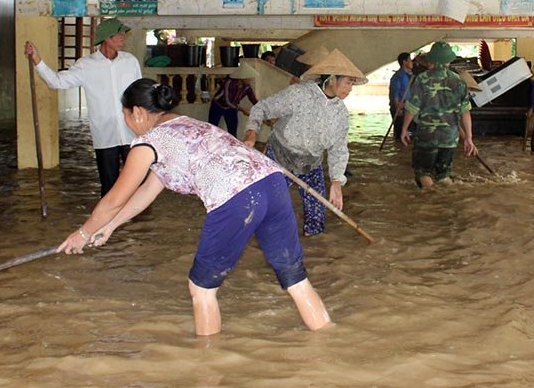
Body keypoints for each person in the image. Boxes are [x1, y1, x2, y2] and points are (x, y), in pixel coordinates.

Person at [55, 78, 331, 336]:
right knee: (296, 280)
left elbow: (114, 199)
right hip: (273, 183)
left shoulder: (147, 143)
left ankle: (206, 370)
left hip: (237, 196)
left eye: (125, 116)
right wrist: (109, 227)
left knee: (202, 289)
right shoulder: (186, 126)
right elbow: (146, 192)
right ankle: (328, 345)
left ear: (137, 112)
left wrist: (82, 233)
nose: (127, 123)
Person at [243, 49, 362, 236]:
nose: (350, 89)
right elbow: (261, 108)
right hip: (280, 157)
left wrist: (337, 182)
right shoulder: (298, 94)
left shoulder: (341, 113)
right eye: (348, 82)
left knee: (317, 217)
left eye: (352, 84)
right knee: (263, 210)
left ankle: (315, 248)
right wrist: (251, 133)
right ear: (332, 79)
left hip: (310, 163)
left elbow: (338, 149)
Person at [25, 17, 143, 195]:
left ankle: (138, 220)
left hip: (132, 132)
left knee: (137, 184)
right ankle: (111, 220)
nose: (123, 38)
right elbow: (56, 82)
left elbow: (140, 93)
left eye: (123, 35)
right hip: (104, 135)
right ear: (106, 38)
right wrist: (37, 60)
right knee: (109, 186)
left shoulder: (130, 62)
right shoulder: (86, 66)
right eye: (119, 35)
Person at [399, 41, 477, 189]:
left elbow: (412, 108)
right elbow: (465, 112)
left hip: (427, 137)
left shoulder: (422, 79)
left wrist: (404, 129)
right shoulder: (459, 81)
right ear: (449, 60)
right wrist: (469, 137)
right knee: (443, 175)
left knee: (424, 172)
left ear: (432, 60)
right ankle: (448, 200)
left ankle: (432, 201)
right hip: (450, 138)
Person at [208, 63, 258, 138]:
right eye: (248, 78)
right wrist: (242, 109)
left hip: (232, 107)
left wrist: (262, 109)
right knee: (212, 128)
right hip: (218, 105)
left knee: (232, 131)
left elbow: (253, 100)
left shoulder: (247, 87)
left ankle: (233, 147)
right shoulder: (229, 83)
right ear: (243, 77)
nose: (250, 80)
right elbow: (227, 100)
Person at [388, 52, 415, 141]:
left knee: (409, 134)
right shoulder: (397, 77)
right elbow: (394, 93)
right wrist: (398, 108)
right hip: (400, 108)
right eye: (410, 60)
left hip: (408, 108)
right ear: (404, 62)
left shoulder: (410, 75)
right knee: (400, 136)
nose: (412, 63)